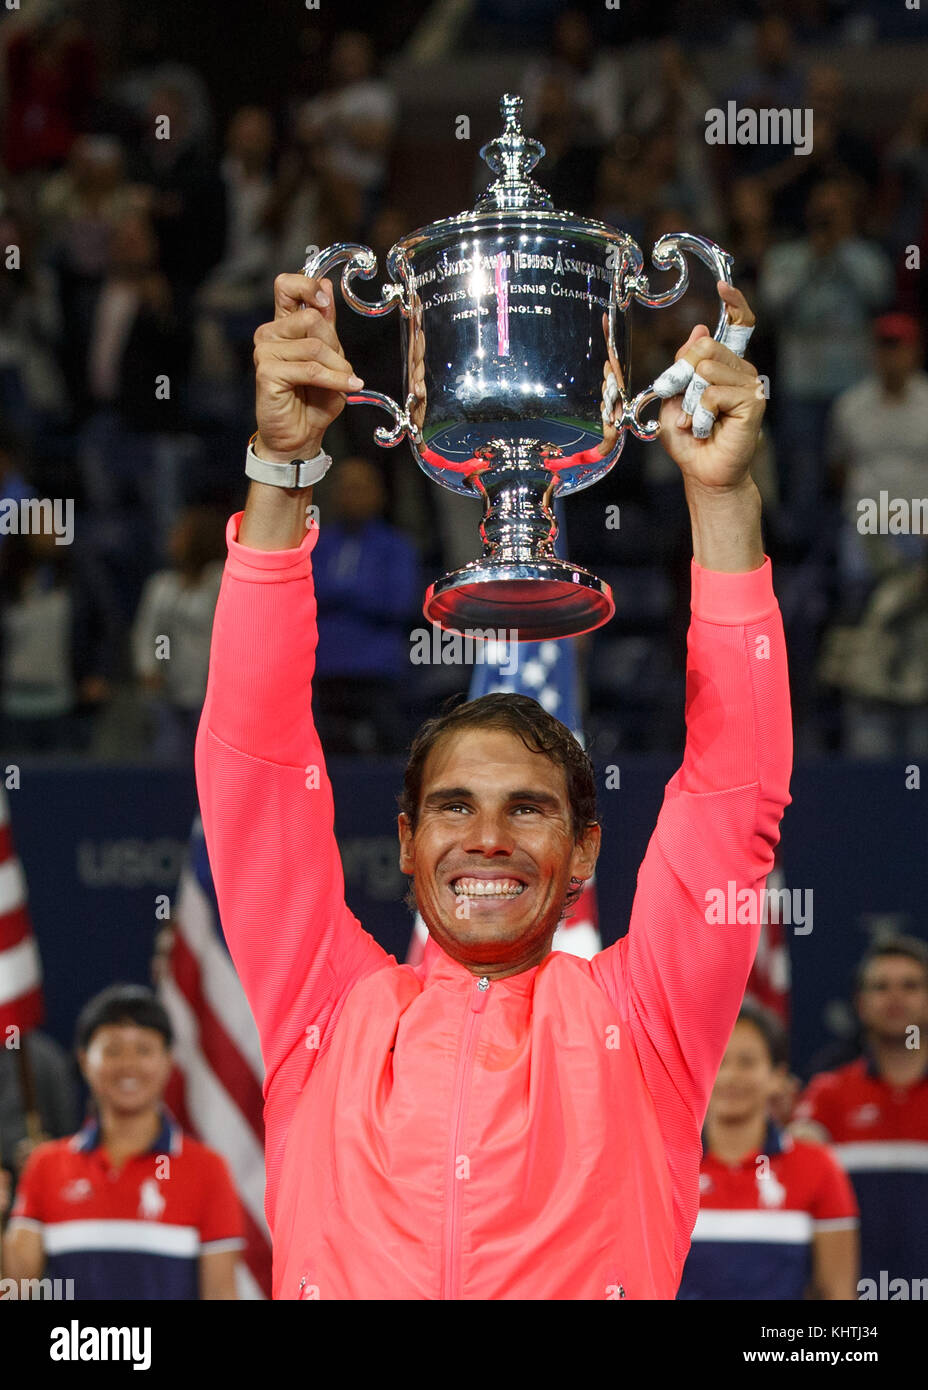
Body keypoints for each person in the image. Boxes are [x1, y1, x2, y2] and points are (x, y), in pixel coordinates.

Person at [194, 268, 791, 1299]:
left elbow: (732, 795)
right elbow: (249, 760)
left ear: (584, 850)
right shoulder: (325, 1009)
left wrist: (720, 497)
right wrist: (285, 470)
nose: (487, 837)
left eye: (529, 807)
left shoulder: (644, 1025)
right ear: (409, 840)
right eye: (454, 807)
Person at [2, 984, 243, 1299]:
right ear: (85, 1060)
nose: (128, 1064)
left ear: (169, 1060)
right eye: (113, 1050)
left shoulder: (208, 1170)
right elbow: (15, 1291)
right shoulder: (46, 1165)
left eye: (144, 1049)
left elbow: (222, 1294)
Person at [677, 1001, 859, 1300]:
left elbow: (838, 1294)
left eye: (747, 1062)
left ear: (778, 1076)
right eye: (718, 1060)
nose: (730, 1076)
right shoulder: (664, 1166)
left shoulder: (818, 1166)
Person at [792, 937, 928, 1295]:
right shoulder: (828, 1095)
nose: (896, 997)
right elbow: (794, 1180)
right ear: (861, 1004)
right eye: (881, 987)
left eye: (910, 986)